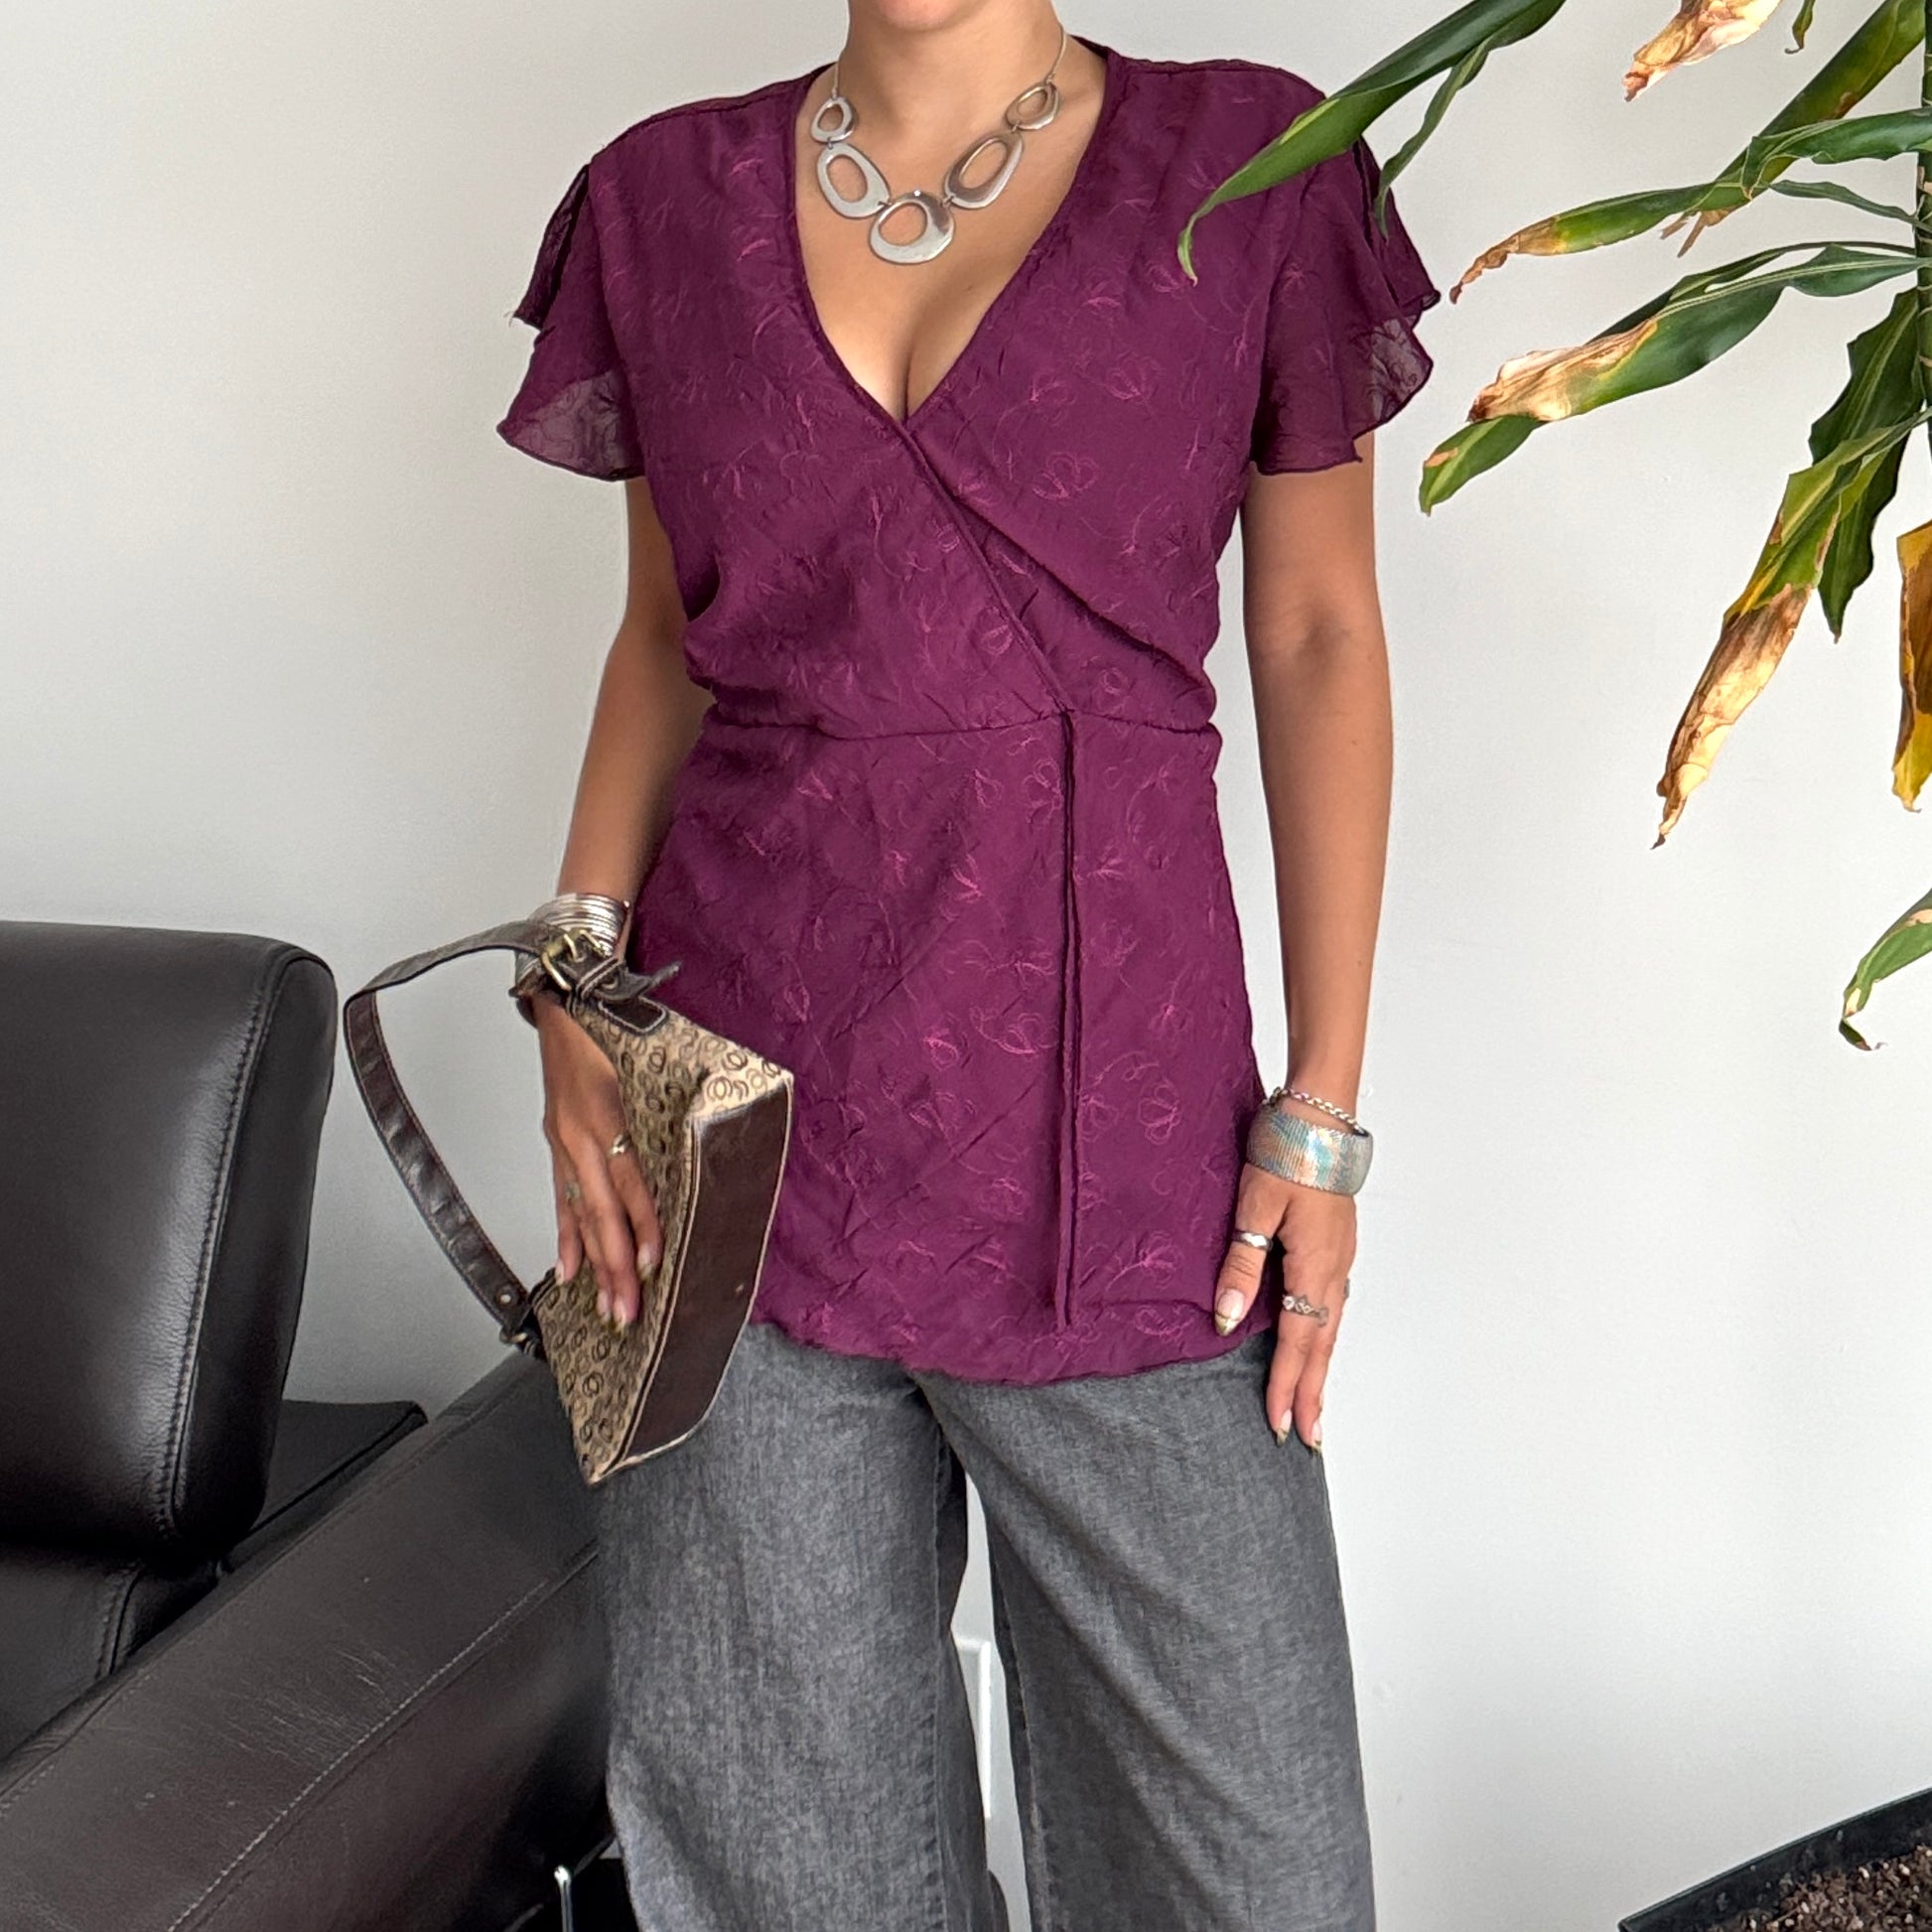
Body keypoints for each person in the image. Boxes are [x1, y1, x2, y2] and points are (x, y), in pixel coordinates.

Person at [496, 4, 1440, 1926]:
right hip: (729, 1113)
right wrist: (572, 968)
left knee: (1243, 1864)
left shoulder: (1250, 164)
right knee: (779, 1851)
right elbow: (665, 635)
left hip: (1124, 1125)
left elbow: (1319, 633)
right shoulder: (660, 196)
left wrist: (1322, 1111)